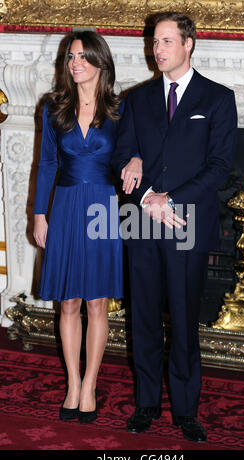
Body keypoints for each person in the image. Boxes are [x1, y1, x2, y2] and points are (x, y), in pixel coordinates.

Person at [112, 12, 237, 442]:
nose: (157, 49)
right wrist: (147, 196)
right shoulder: (137, 98)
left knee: (183, 320)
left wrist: (172, 199)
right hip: (143, 220)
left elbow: (220, 167)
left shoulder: (218, 99)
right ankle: (146, 404)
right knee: (143, 318)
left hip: (187, 221)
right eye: (154, 41)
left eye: (166, 40)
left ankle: (186, 410)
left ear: (188, 44)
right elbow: (123, 155)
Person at [33, 31, 129, 424]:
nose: (75, 63)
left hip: (105, 210)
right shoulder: (53, 107)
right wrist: (40, 215)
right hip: (67, 207)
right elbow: (47, 164)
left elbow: (133, 154)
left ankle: (90, 384)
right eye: (70, 57)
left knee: (96, 302)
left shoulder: (122, 110)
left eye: (82, 57)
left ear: (100, 62)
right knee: (69, 301)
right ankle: (72, 383)